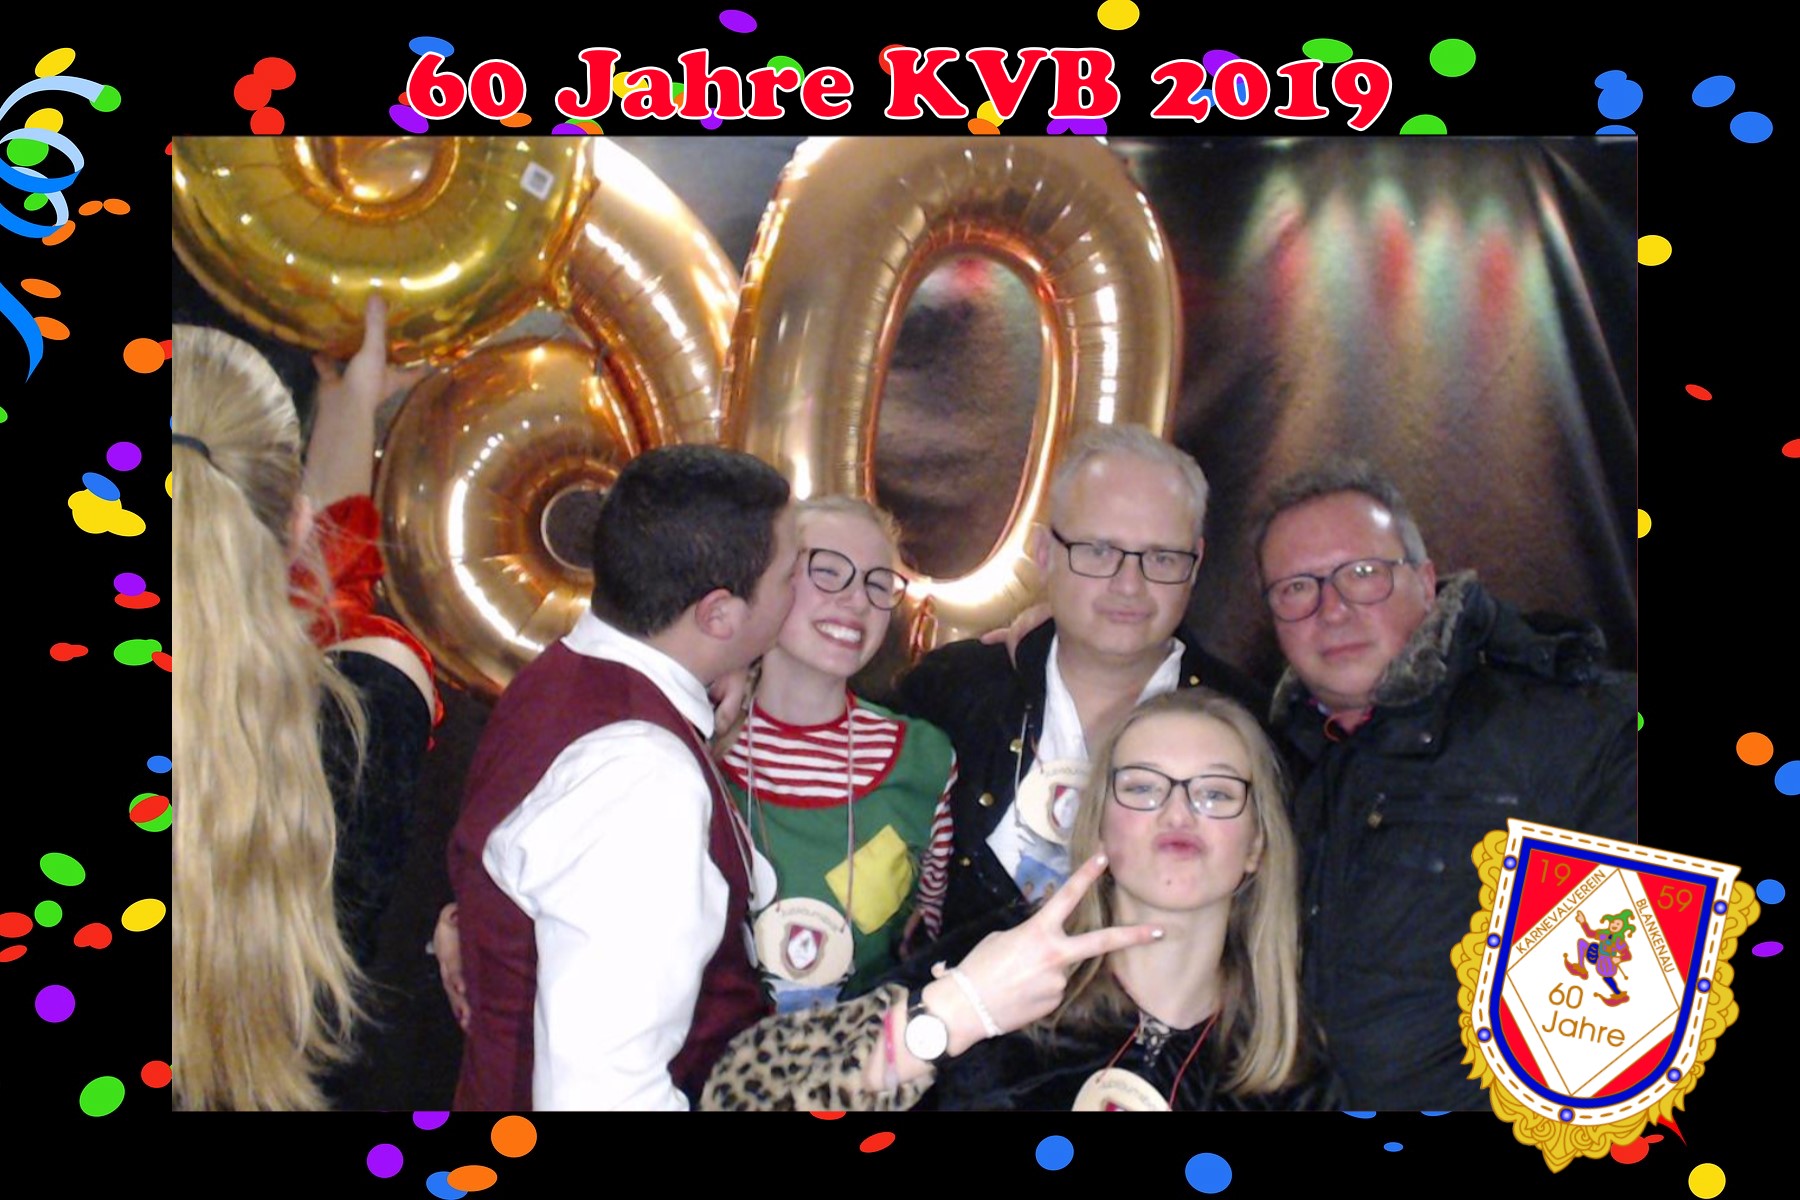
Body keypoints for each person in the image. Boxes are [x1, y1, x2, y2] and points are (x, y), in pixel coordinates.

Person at [702, 689, 1339, 1111]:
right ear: (1100, 823)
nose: (1178, 812)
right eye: (1143, 787)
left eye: (1216, 793)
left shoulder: (1292, 1065)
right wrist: (955, 1013)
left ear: (1257, 844)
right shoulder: (995, 961)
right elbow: (737, 1096)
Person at [1254, 459, 1637, 1110]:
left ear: (1426, 582)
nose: (1333, 609)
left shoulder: (1583, 734)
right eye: (1296, 587)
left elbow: (1611, 1045)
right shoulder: (1268, 770)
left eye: (1363, 574)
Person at [447, 444, 798, 1111]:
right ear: (719, 614)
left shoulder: (569, 672)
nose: (801, 589)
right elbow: (603, 1095)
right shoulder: (643, 778)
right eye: (791, 573)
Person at [172, 301, 436, 1111]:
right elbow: (331, 603)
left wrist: (349, 407)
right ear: (293, 523)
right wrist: (353, 407)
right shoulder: (372, 702)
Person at [896, 424, 1267, 936]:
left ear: (1196, 564)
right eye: (1098, 551)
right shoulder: (949, 693)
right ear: (1044, 552)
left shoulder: (1250, 728)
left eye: (1161, 558)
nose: (1129, 585)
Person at [717, 497, 957, 1011]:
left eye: (877, 583)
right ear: (768, 582)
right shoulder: (694, 744)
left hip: (860, 1055)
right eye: (827, 572)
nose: (857, 600)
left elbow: (925, 933)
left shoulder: (925, 761)